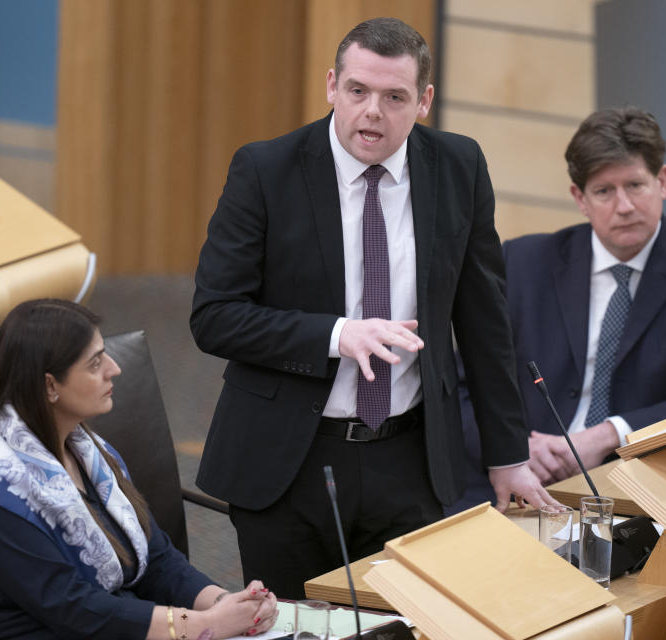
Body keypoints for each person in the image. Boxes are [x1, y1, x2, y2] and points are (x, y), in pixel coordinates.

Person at [190, 17, 554, 599]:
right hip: (289, 461)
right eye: (358, 91)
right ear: (332, 85)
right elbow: (213, 316)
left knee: (401, 626)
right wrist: (337, 335)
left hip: (410, 459)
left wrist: (507, 454)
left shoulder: (459, 167)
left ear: (425, 101)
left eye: (394, 97)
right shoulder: (264, 170)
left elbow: (485, 321)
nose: (372, 113)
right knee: (293, 629)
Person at [454, 106, 666, 509]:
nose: (624, 205)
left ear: (662, 181)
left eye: (635, 185)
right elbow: (461, 386)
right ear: (580, 198)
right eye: (604, 191)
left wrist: (611, 435)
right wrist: (513, 450)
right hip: (517, 482)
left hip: (644, 489)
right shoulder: (524, 261)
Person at [0, 299, 278, 640]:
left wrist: (228, 604)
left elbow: (155, 559)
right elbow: (73, 608)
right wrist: (208, 625)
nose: (114, 368)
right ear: (50, 386)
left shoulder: (83, 447)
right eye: (95, 363)